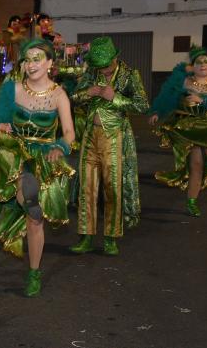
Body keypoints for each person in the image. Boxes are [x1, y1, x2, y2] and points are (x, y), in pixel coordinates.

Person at [0, 38, 75, 297]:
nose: (31, 64)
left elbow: (69, 133)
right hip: (17, 157)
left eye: (37, 58)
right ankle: (26, 202)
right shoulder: (11, 90)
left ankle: (33, 271)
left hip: (45, 159)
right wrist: (1, 126)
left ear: (49, 64)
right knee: (30, 203)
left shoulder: (59, 95)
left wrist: (60, 147)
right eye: (27, 59)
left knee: (35, 221)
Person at [69, 36, 149, 256]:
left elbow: (142, 105)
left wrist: (117, 98)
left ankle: (111, 238)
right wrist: (88, 93)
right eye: (99, 67)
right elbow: (73, 97)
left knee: (112, 189)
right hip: (89, 137)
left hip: (114, 137)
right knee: (87, 189)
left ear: (115, 58)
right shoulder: (91, 72)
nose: (103, 70)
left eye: (106, 66)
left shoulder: (130, 75)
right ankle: (85, 237)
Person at [148, 46, 207, 216]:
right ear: (192, 66)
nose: (203, 65)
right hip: (189, 128)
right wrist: (157, 112)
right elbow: (167, 97)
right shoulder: (185, 82)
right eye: (199, 62)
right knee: (196, 165)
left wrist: (203, 101)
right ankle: (191, 201)